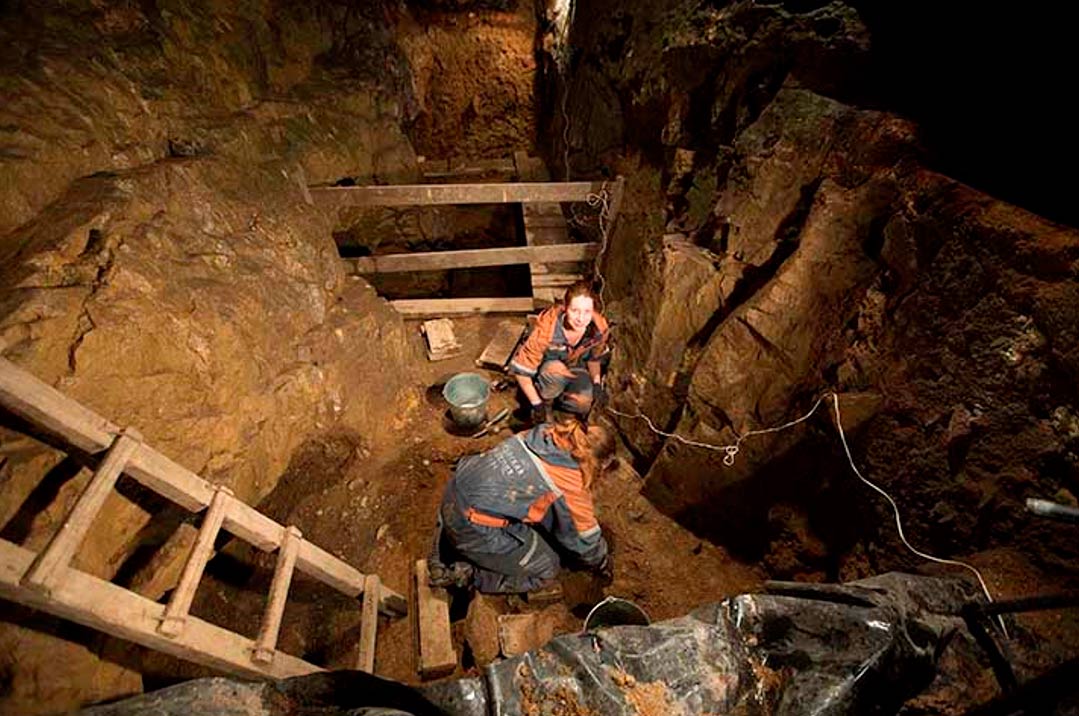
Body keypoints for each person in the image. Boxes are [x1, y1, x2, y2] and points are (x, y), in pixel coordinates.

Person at [428, 402, 616, 595]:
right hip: (470, 527)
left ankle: (449, 541)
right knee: (547, 569)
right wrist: (602, 562)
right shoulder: (569, 484)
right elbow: (584, 541)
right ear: (597, 465)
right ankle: (470, 575)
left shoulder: (543, 434)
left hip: (456, 491)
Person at [509, 281, 610, 423]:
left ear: (593, 310)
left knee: (584, 403)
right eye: (575, 311)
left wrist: (597, 383)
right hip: (548, 369)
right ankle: (546, 402)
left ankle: (559, 400)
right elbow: (521, 372)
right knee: (556, 374)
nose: (581, 318)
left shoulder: (599, 328)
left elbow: (594, 358)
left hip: (574, 367)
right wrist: (537, 404)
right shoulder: (546, 331)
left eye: (587, 311)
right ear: (565, 307)